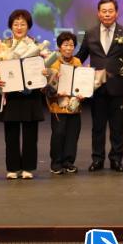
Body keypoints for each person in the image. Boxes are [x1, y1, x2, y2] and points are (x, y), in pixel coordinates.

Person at [76, 0, 123, 172]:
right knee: (98, 127)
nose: (107, 14)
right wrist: (64, 64)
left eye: (110, 11)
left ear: (116, 13)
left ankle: (116, 159)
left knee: (117, 128)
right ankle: (97, 159)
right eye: (104, 11)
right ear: (98, 13)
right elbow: (80, 57)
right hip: (97, 87)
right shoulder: (90, 33)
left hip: (118, 87)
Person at [0, 9, 44, 180]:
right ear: (10, 26)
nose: (19, 27)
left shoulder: (36, 46)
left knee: (30, 134)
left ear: (29, 26)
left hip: (30, 95)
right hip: (11, 95)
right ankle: (12, 168)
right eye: (16, 24)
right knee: (11, 134)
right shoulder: (3, 46)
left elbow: (43, 68)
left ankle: (28, 167)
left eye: (23, 24)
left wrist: (44, 72)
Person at [46, 31, 83, 175]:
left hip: (74, 106)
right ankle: (56, 163)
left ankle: (68, 162)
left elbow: (82, 82)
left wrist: (83, 92)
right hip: (58, 106)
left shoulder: (77, 62)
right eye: (65, 45)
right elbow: (46, 87)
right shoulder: (53, 62)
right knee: (58, 134)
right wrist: (55, 90)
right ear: (59, 46)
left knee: (73, 135)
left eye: (71, 45)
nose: (68, 48)